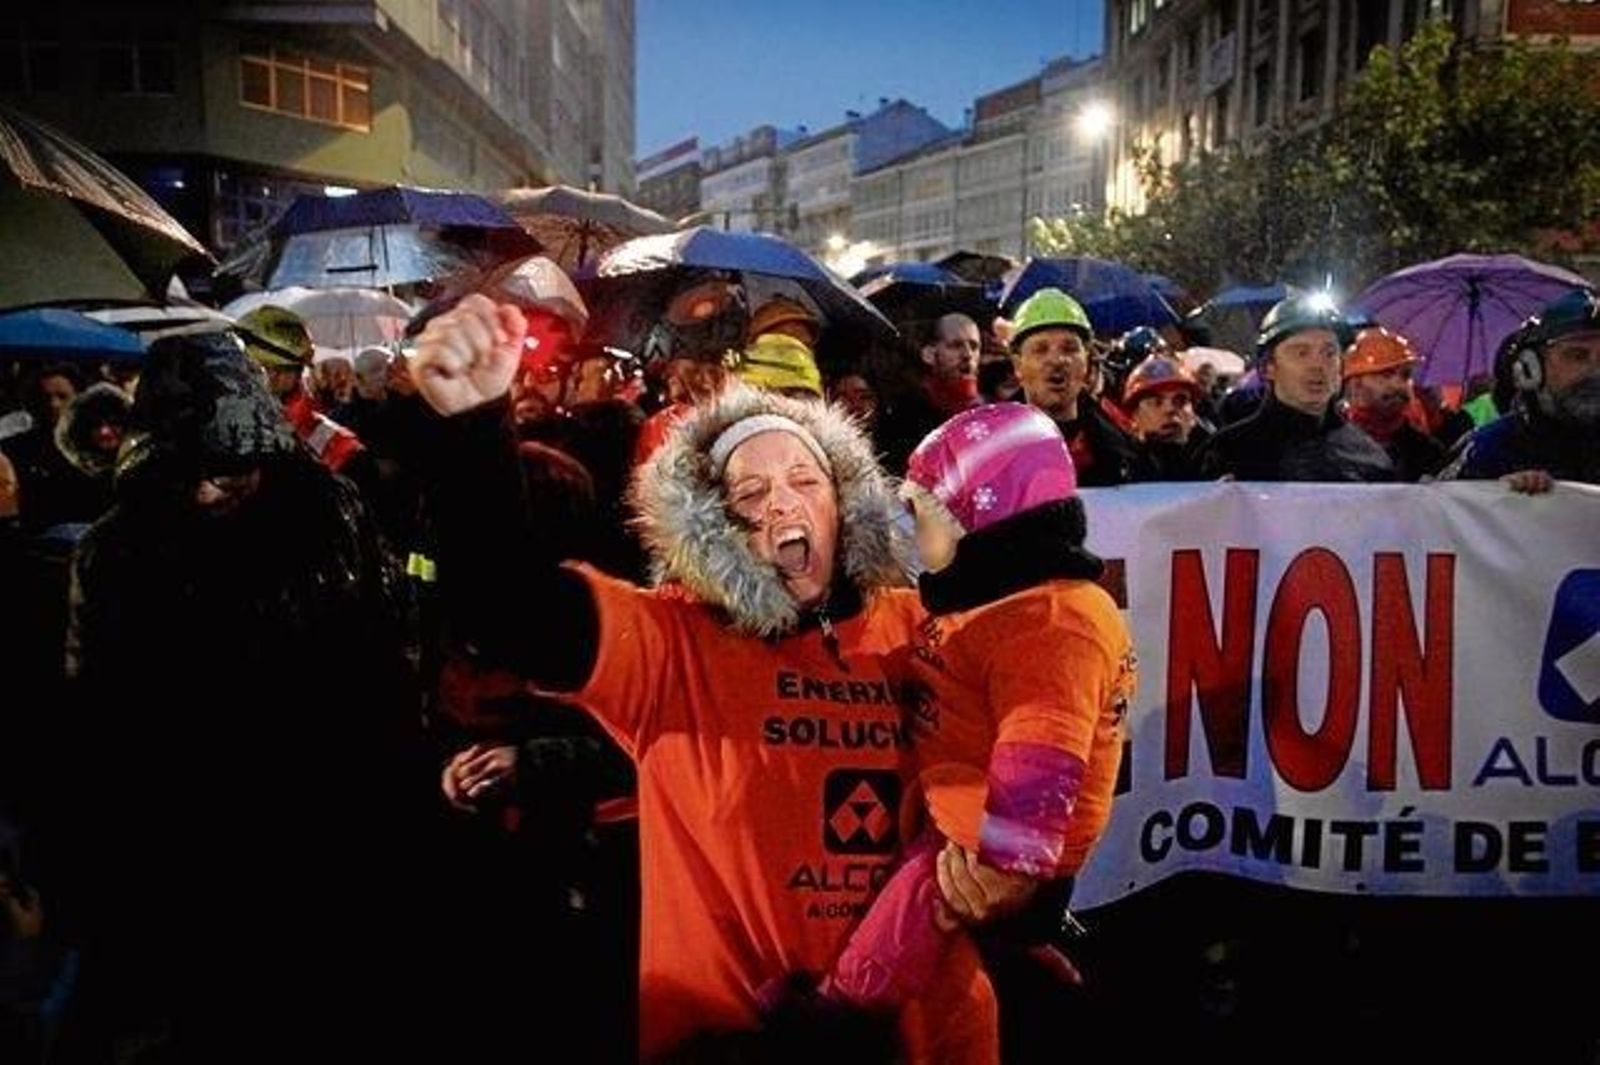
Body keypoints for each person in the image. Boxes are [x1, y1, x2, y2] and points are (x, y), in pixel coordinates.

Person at [410, 294, 1024, 1062]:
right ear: (716, 526)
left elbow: (1034, 774)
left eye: (805, 479)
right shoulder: (674, 643)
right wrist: (473, 430)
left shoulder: (919, 630)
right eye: (750, 492)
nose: (783, 505)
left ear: (846, 503)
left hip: (929, 1037)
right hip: (728, 1036)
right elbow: (507, 612)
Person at [814, 402, 1135, 1015]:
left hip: (980, 848)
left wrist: (1009, 872)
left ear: (986, 525)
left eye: (924, 513)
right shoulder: (994, 599)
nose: (913, 531)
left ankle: (834, 1020)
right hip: (960, 810)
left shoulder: (1050, 622)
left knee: (898, 927)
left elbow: (1043, 752)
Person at [1194, 294, 1394, 482]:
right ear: (1269, 367)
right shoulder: (1228, 454)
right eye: (1301, 353)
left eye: (1329, 353)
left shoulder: (1369, 458)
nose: (1317, 365)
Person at [1440, 287, 1600, 490]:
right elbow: (1437, 511)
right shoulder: (1487, 448)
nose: (1595, 371)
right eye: (1577, 355)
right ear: (1530, 368)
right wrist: (1488, 495)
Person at [1005, 289, 1136, 486]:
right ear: (1017, 365)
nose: (1057, 360)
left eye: (1069, 349)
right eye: (1040, 350)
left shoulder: (1123, 450)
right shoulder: (987, 446)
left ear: (1087, 360)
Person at [1339, 327, 1447, 481]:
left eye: (1406, 375)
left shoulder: (1429, 453)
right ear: (1355, 385)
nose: (1398, 385)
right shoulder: (1327, 447)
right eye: (1385, 374)